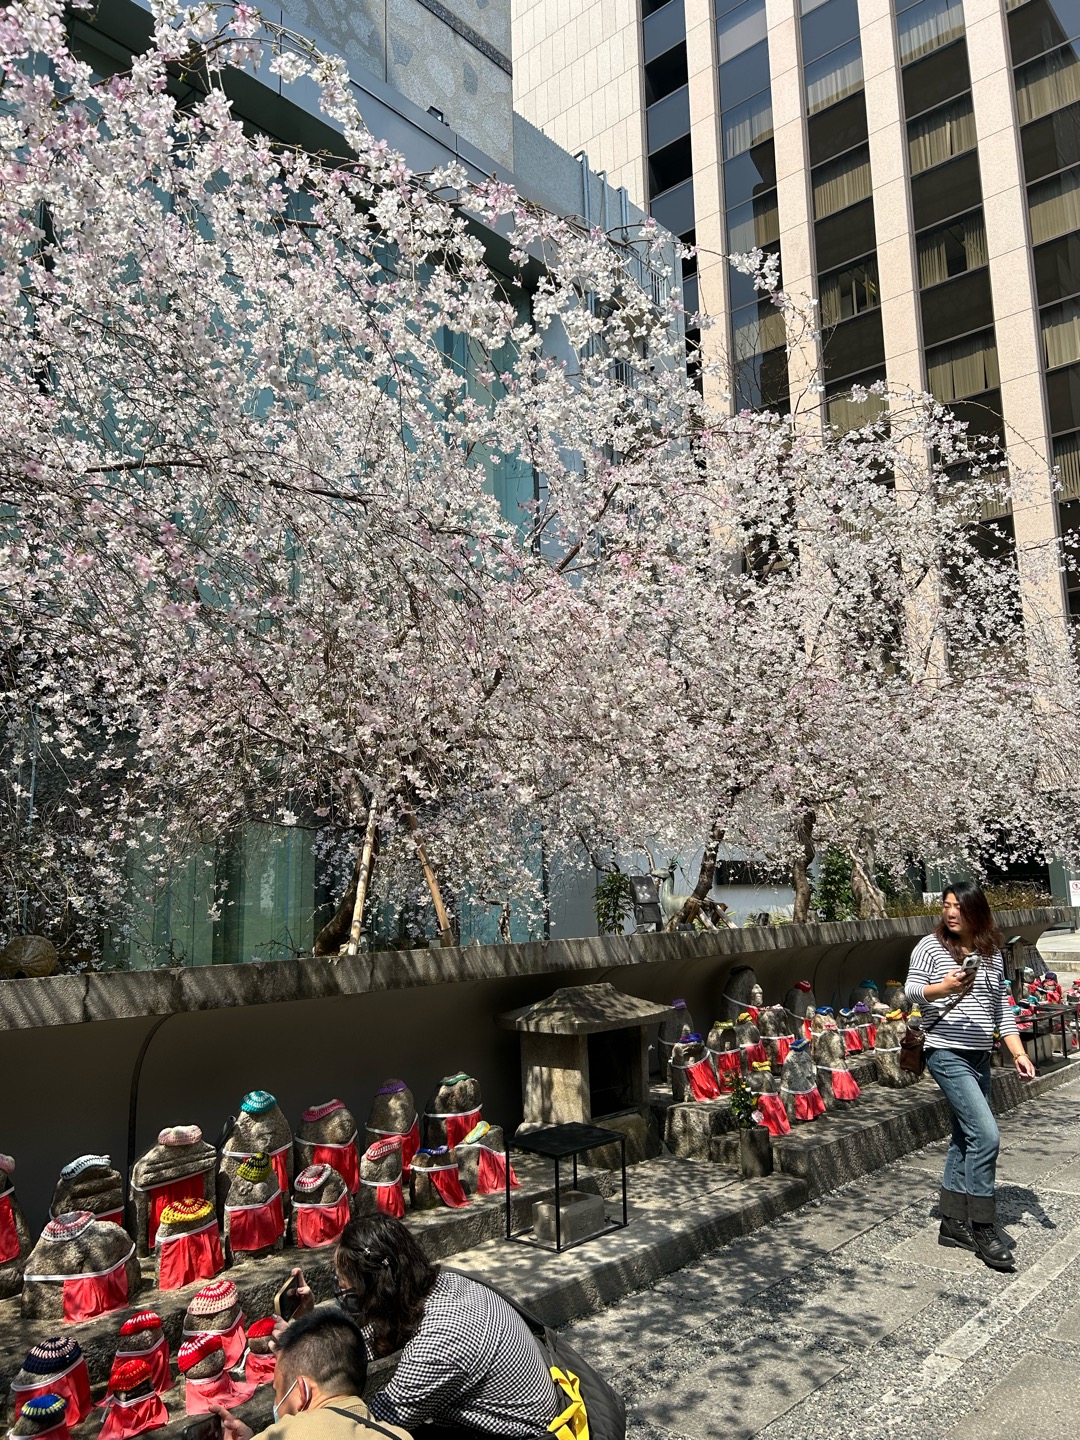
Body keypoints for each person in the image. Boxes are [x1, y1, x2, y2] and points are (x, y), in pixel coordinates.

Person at [281, 1215, 560, 1440]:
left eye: (349, 1293)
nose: (342, 1296)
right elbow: (378, 1338)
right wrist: (308, 1331)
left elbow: (371, 1429)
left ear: (377, 1293)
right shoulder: (441, 1284)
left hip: (521, 1433)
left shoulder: (437, 1343)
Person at [905, 880, 1036, 1271]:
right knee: (986, 1135)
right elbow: (911, 991)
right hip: (945, 1052)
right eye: (946, 905)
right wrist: (942, 988)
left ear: (976, 911)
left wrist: (1018, 1053)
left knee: (965, 1137)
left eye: (958, 907)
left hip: (980, 1055)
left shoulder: (991, 954)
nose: (950, 913)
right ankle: (983, 1225)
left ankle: (951, 1221)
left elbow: (1001, 1009)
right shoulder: (929, 947)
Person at [211, 1308, 411, 1440]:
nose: (276, 1404)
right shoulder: (398, 1435)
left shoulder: (285, 1434)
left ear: (303, 1391)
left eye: (278, 1392)